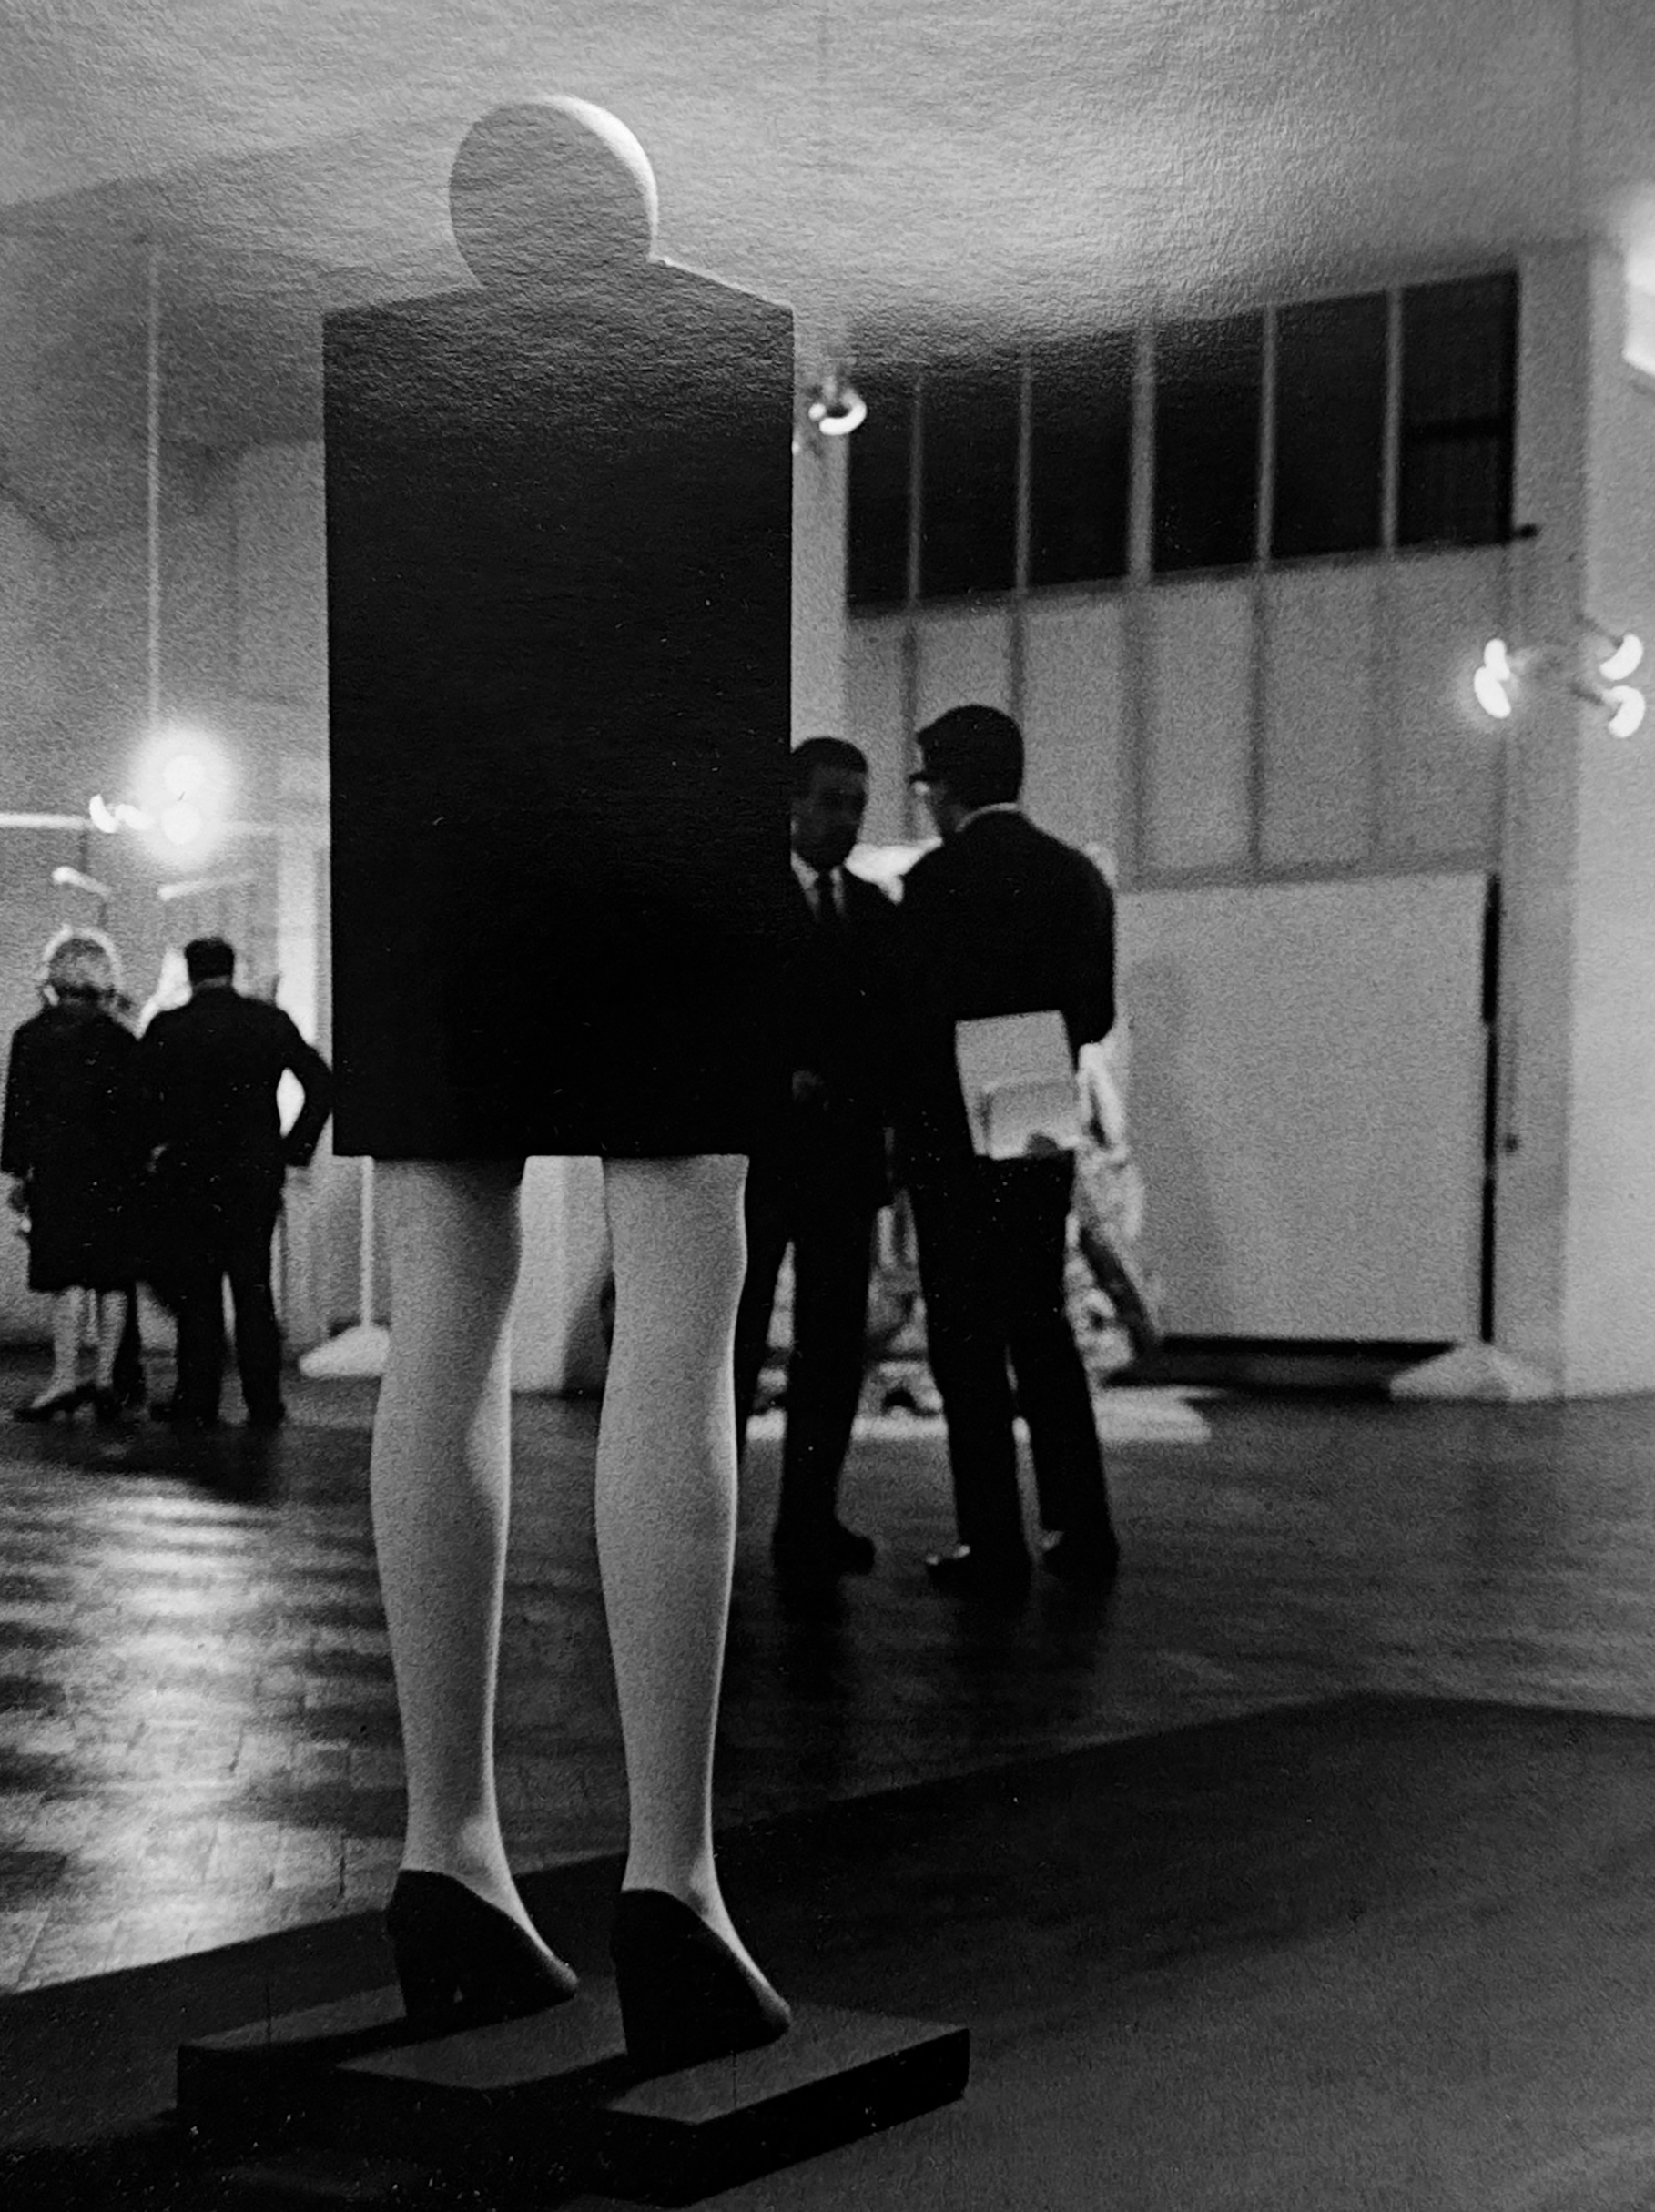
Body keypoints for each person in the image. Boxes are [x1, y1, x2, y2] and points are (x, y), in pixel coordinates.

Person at [324, 97, 794, 2070]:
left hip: (433, 870)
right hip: (657, 852)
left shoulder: (383, 372)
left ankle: (448, 1848)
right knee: (682, 1303)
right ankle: (673, 1877)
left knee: (445, 1311)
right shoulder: (717, 340)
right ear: (634, 213)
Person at [896, 704, 1122, 1599]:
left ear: (948, 785)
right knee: (1040, 1322)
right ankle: (1080, 1524)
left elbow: (913, 1017)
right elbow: (1093, 1017)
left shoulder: (934, 882)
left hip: (949, 1130)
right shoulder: (1074, 877)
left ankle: (991, 1539)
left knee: (963, 1334)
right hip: (1035, 1117)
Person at [732, 736, 904, 1578]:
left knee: (832, 1350)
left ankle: (810, 1517)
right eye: (832, 801)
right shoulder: (744, 903)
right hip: (761, 1159)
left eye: (857, 805)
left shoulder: (875, 912)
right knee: (736, 1338)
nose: (847, 819)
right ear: (791, 803)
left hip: (842, 1161)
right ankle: (711, 1511)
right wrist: (775, 1079)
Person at [133, 936, 334, 1428]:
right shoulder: (268, 1021)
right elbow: (321, 1083)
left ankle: (197, 1399)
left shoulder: (168, 1027)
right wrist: (293, 1150)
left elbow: (140, 1099)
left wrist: (156, 1148)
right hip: (253, 1172)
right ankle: (264, 1401)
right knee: (253, 1286)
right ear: (233, 969)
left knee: (198, 1292)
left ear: (190, 972)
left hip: (190, 1172)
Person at [0, 928, 145, 1421]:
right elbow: (137, 1114)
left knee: (66, 1277)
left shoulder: (31, 1036)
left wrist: (19, 1173)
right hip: (114, 1171)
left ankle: (63, 1379)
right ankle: (105, 1381)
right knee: (112, 1277)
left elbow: (19, 1114)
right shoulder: (119, 1038)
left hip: (58, 1170)